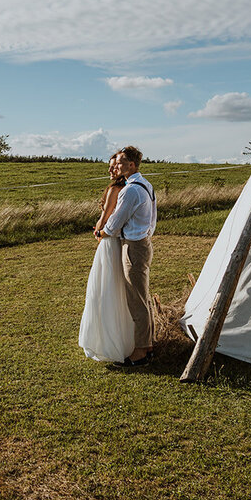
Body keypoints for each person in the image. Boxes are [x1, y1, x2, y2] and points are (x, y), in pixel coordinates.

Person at [96, 146, 157, 366]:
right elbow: (153, 219)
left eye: (121, 162)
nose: (117, 166)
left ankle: (141, 352)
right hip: (141, 242)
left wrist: (101, 233)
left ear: (131, 164)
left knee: (137, 299)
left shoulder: (131, 190)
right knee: (142, 296)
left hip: (133, 246)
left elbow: (114, 223)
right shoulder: (146, 185)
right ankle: (147, 344)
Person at [78, 154, 136, 363]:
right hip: (122, 241)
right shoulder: (129, 189)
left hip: (109, 243)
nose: (111, 170)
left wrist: (97, 231)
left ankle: (106, 340)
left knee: (103, 288)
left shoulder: (114, 190)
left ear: (124, 168)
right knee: (119, 288)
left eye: (114, 167)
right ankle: (126, 339)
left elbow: (105, 219)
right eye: (110, 167)